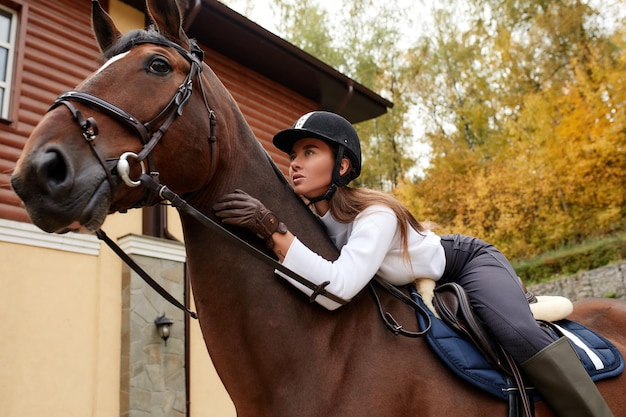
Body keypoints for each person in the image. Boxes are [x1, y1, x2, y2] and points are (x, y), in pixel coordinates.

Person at [213, 111, 613, 417]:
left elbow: (335, 290)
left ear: (343, 166)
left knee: (517, 332)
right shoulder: (315, 223)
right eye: (294, 155)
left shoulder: (375, 214)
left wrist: (271, 229)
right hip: (411, 280)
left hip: (466, 261)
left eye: (309, 152)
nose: (294, 164)